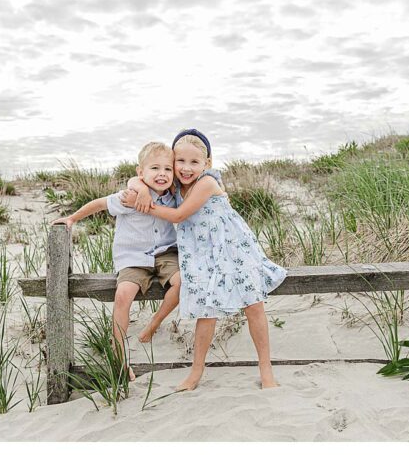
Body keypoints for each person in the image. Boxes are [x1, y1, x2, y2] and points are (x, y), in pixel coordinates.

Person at [125, 129, 285, 392]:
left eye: (194, 162)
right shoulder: (175, 185)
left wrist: (145, 204)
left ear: (207, 164)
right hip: (201, 255)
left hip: (232, 249)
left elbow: (178, 216)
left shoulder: (207, 183)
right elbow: (138, 176)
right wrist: (140, 189)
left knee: (253, 305)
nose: (186, 168)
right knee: (206, 311)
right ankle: (196, 372)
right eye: (180, 161)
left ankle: (266, 370)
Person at [53, 142, 181, 380]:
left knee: (182, 282)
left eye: (167, 169)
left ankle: (154, 323)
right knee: (123, 295)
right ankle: (120, 357)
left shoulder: (173, 197)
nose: (162, 174)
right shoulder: (130, 197)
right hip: (133, 258)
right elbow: (99, 204)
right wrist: (72, 218)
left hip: (165, 254)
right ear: (140, 172)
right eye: (155, 168)